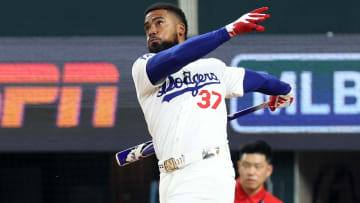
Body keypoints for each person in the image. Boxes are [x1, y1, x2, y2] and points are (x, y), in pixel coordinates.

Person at [132, 2, 294, 203]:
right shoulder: (143, 67)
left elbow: (260, 80)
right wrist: (228, 31)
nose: (152, 31)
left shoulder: (213, 68)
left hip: (211, 169)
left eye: (159, 23)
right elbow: (176, 56)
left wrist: (284, 91)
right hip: (170, 176)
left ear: (180, 29)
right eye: (147, 27)